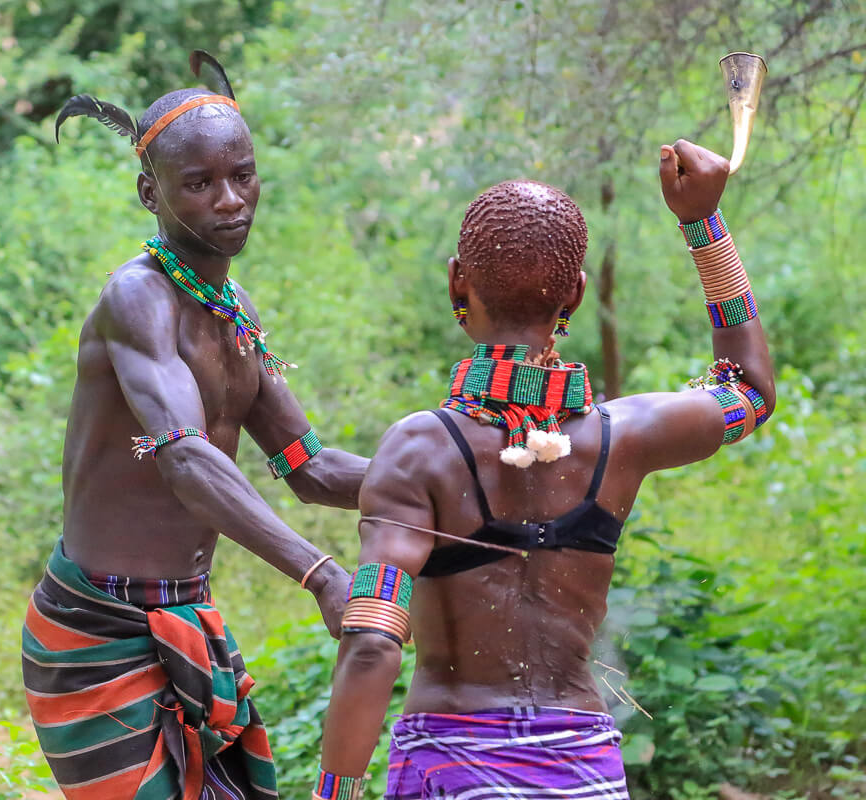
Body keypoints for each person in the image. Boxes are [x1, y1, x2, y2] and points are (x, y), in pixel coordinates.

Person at [311, 140, 774, 800]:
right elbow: (750, 390)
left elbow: (372, 647)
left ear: (456, 283)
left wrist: (335, 794)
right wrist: (703, 222)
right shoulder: (625, 436)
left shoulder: (417, 451)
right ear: (577, 296)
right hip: (581, 770)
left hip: (450, 766)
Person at [22, 52, 368, 800]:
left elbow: (309, 468)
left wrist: (449, 470)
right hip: (94, 631)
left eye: (241, 175)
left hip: (182, 618)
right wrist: (321, 573)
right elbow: (183, 460)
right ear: (151, 193)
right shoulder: (137, 302)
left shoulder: (233, 310)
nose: (230, 200)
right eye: (200, 183)